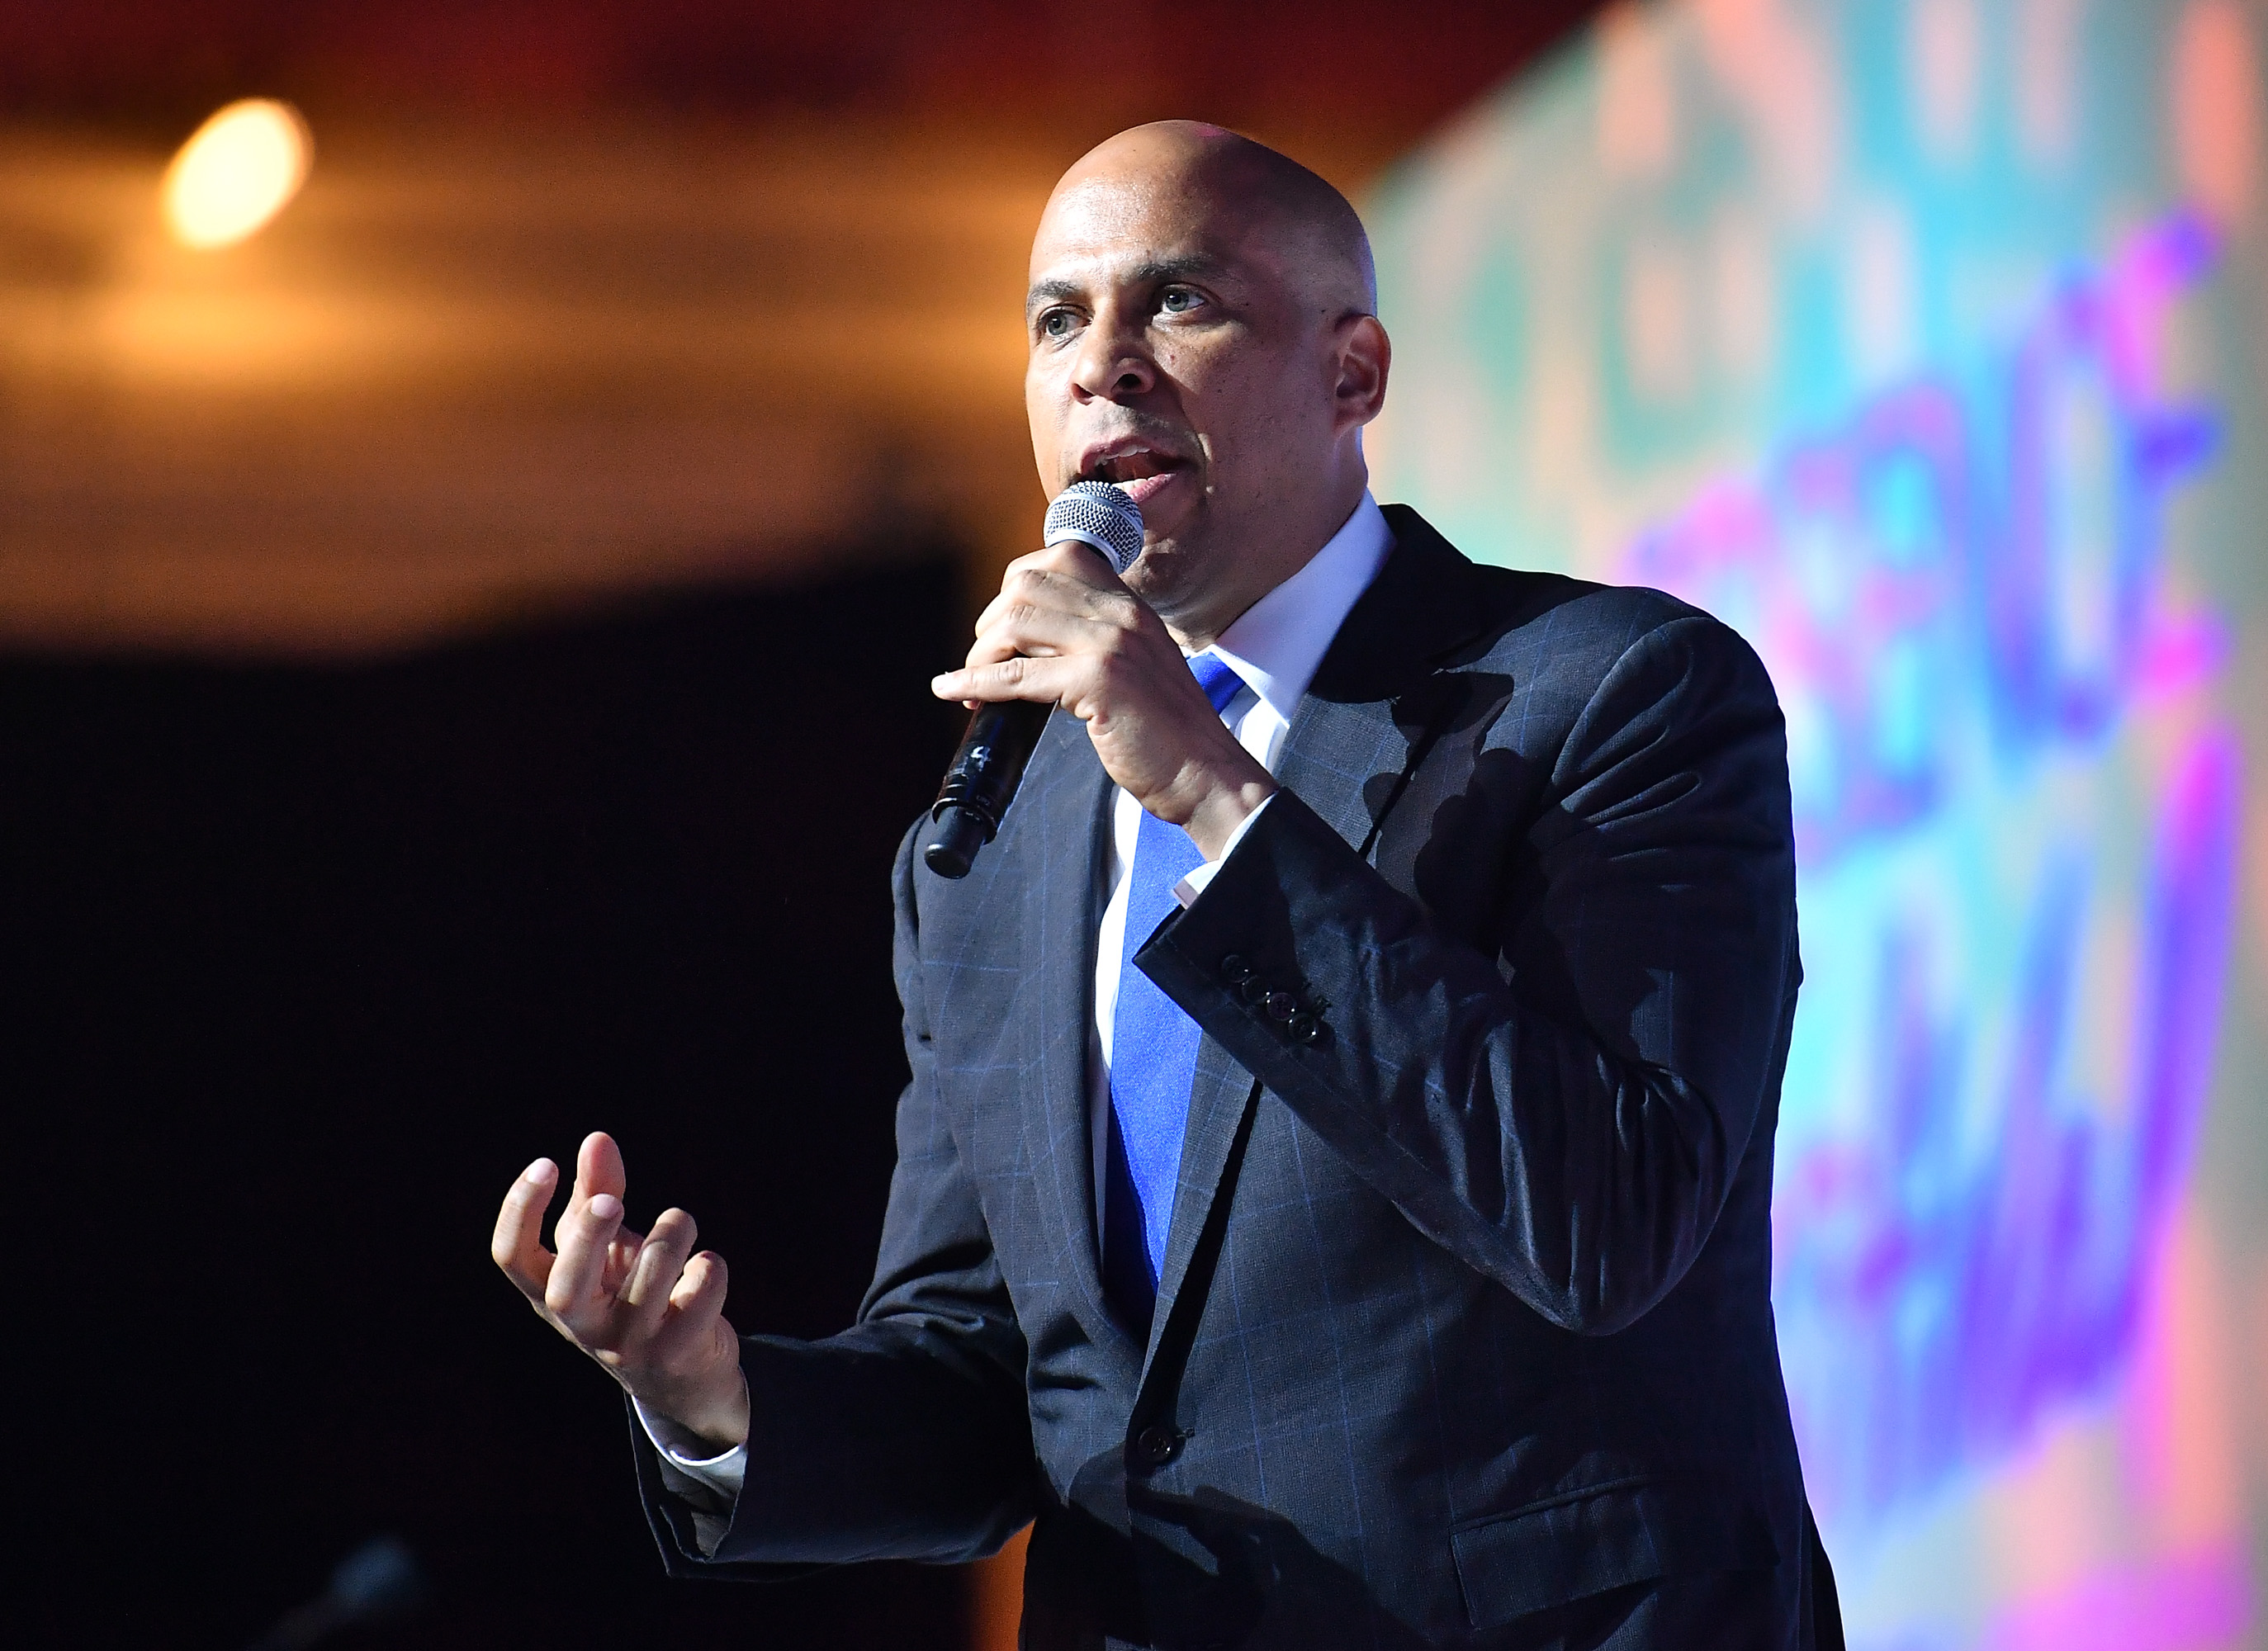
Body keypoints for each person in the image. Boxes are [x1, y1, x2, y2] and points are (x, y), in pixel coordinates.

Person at [492, 120, 1839, 1649]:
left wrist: (1209, 788)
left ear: (1355, 374)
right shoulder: (992, 845)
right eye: (1058, 318)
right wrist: (714, 1402)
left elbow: (1606, 1222)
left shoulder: (1613, 697)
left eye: (1180, 304)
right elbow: (997, 1377)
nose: (1103, 365)